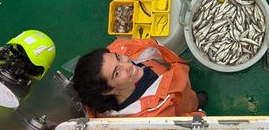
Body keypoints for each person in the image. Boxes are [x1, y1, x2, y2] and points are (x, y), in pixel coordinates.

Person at [73, 38, 207, 117]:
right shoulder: (153, 115)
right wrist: (198, 116)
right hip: (176, 104)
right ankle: (194, 105)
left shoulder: (115, 54)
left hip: (169, 81)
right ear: (108, 91)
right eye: (117, 73)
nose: (127, 64)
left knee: (188, 94)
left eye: (118, 57)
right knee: (188, 102)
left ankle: (192, 99)